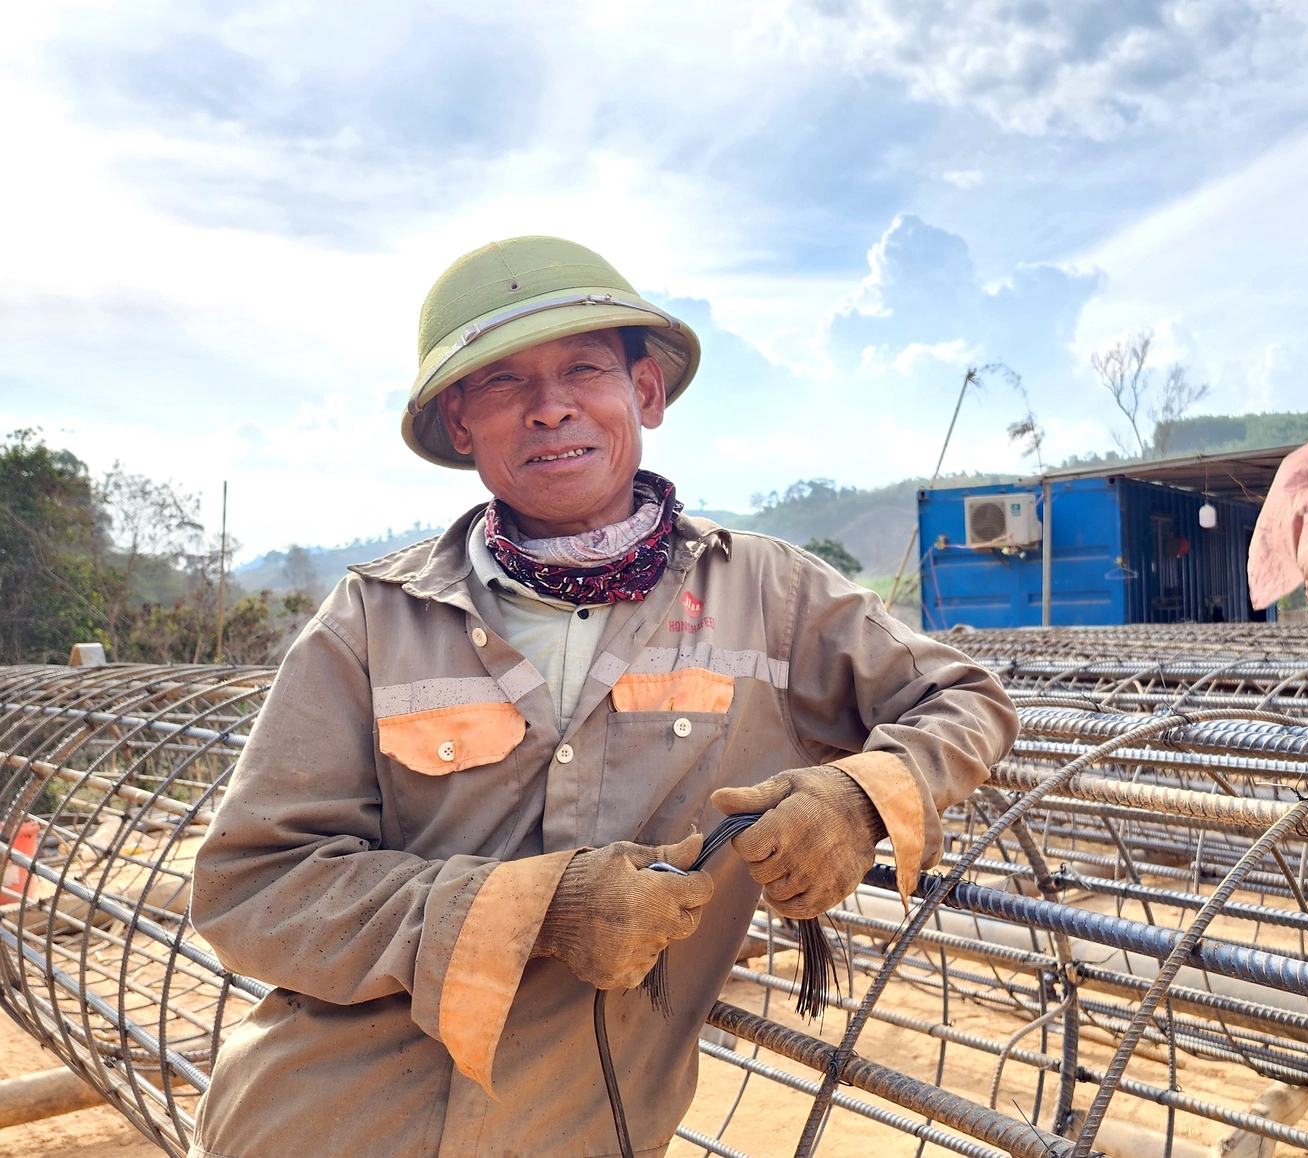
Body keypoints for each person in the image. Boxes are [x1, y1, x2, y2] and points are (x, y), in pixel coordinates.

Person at [189, 236, 1018, 1157]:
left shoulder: (767, 598)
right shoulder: (373, 623)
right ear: (461, 424)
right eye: (502, 385)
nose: (549, 410)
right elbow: (252, 885)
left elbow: (962, 697)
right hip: (320, 1125)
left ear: (646, 395)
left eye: (582, 369)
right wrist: (537, 911)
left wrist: (859, 799)